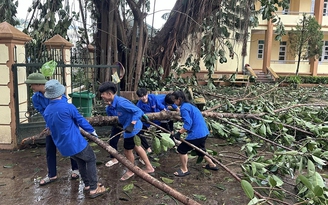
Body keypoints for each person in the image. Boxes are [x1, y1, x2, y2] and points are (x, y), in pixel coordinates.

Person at [43, 79, 107, 198]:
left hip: (63, 146)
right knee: (91, 159)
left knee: (80, 161)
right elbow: (81, 120)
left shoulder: (47, 111)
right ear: (61, 93)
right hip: (76, 143)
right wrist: (92, 131)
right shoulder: (68, 107)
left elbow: (50, 127)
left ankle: (87, 185)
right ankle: (94, 188)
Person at [25, 73, 80, 186]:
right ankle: (52, 175)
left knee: (70, 145)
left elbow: (63, 107)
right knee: (50, 148)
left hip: (63, 124)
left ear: (39, 84)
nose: (31, 87)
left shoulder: (55, 91)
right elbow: (43, 112)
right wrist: (50, 124)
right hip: (50, 125)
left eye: (32, 85)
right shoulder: (35, 98)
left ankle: (75, 170)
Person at [99, 82, 155, 181]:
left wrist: (132, 124)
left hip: (132, 129)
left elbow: (137, 111)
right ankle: (149, 167)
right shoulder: (114, 103)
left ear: (109, 94)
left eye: (103, 94)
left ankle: (131, 170)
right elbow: (136, 109)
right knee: (137, 147)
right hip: (131, 127)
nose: (101, 96)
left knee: (127, 151)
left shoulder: (121, 102)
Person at [170, 90, 219, 177]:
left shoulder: (184, 108)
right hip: (204, 132)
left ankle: (184, 170)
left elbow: (188, 123)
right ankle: (212, 165)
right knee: (200, 150)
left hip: (196, 134)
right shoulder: (190, 105)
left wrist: (178, 133)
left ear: (179, 99)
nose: (174, 102)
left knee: (181, 149)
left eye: (175, 100)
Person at [104, 101, 122, 167]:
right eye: (107, 101)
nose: (109, 103)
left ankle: (141, 155)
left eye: (110, 101)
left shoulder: (121, 104)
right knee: (112, 141)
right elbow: (111, 119)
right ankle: (114, 158)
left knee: (132, 142)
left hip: (127, 123)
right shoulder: (108, 109)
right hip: (117, 125)